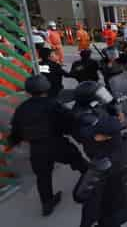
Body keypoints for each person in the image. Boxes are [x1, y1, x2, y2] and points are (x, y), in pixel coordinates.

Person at [8, 75, 87, 216]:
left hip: (36, 149)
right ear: (46, 87)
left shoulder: (22, 108)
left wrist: (14, 142)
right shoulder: (52, 104)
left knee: (43, 177)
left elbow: (16, 130)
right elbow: (69, 119)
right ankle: (90, 184)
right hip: (56, 143)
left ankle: (47, 204)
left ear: (28, 91)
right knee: (78, 160)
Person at [70, 82, 127, 227]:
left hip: (112, 213)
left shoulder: (101, 166)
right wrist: (120, 119)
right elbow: (113, 125)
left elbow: (79, 196)